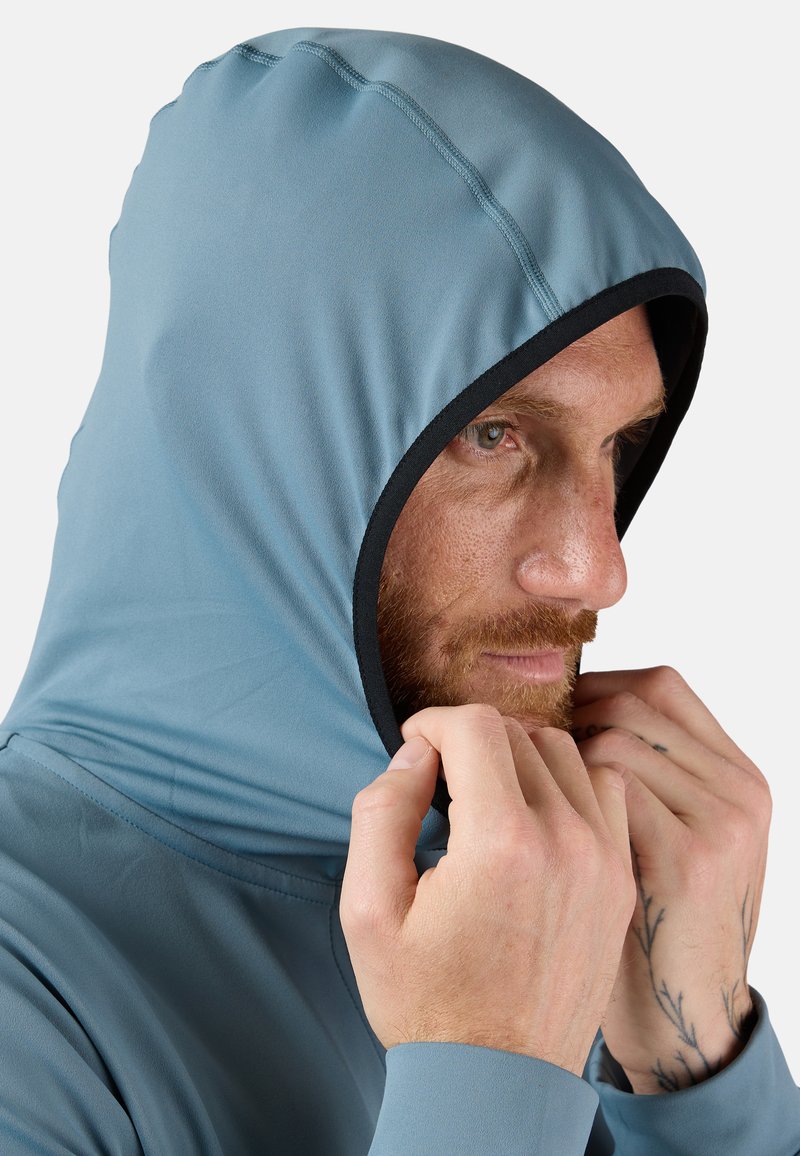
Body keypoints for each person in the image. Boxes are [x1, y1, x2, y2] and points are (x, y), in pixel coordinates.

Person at [0, 25, 797, 1154]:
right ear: (259, 449)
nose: (598, 567)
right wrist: (489, 1080)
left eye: (617, 448)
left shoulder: (540, 903)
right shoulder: (27, 999)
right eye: (494, 434)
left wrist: (694, 1080)